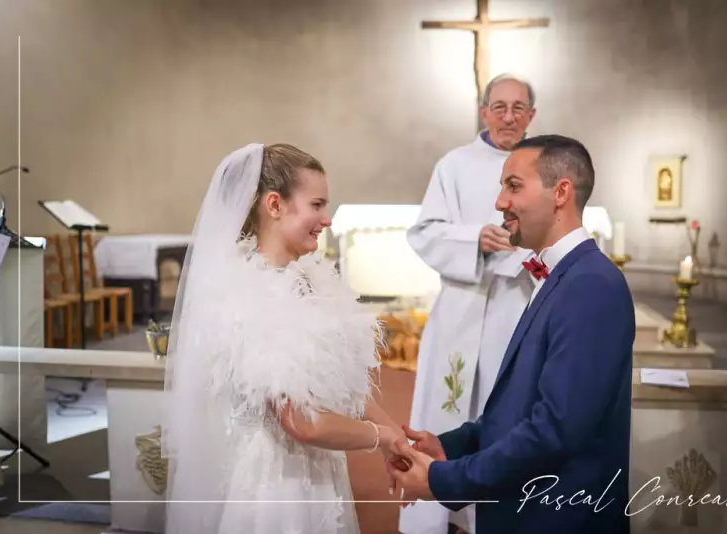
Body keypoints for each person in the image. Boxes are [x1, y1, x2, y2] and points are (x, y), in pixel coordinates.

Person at [389, 135, 635, 534]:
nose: (500, 202)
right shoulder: (559, 276)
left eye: (513, 186)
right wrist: (451, 446)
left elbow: (554, 430)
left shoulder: (592, 285)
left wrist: (443, 480)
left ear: (561, 193)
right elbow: (519, 410)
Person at [161, 143, 403, 534]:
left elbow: (347, 383)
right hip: (277, 480)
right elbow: (301, 423)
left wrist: (398, 435)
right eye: (317, 204)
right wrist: (382, 438)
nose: (326, 219)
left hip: (319, 466)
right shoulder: (248, 294)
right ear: (275, 205)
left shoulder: (310, 279)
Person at [401, 74, 538, 534]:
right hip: (463, 307)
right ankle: (444, 515)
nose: (508, 116)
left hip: (518, 306)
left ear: (532, 116)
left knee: (505, 413)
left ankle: (495, 514)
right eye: (499, 106)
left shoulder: (545, 164)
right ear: (484, 112)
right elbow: (423, 232)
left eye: (518, 108)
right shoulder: (455, 165)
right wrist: (473, 239)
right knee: (451, 409)